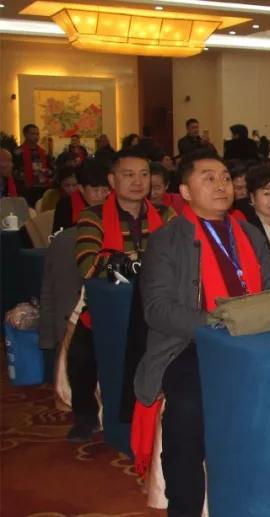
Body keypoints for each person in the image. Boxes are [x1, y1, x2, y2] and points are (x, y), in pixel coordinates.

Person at [134, 148, 270, 516]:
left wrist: (269, 309)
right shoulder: (168, 240)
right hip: (191, 344)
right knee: (188, 409)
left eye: (225, 178)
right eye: (208, 178)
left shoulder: (247, 232)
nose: (221, 185)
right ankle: (184, 506)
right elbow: (158, 310)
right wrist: (219, 322)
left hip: (255, 337)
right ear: (185, 192)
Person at [70, 150, 176, 440]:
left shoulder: (166, 215)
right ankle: (85, 416)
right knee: (80, 353)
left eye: (144, 175)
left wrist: (129, 261)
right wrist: (138, 262)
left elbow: (181, 258)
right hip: (109, 305)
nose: (138, 182)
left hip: (157, 304)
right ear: (112, 180)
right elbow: (88, 264)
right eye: (128, 175)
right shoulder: (92, 216)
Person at [52, 161, 111, 233]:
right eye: (95, 190)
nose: (100, 196)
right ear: (81, 188)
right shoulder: (66, 205)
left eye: (105, 190)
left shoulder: (113, 202)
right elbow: (58, 236)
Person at [13, 123, 53, 204]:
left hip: (41, 187)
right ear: (25, 135)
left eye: (37, 134)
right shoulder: (18, 152)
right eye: (32, 134)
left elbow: (51, 168)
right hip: (25, 188)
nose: (36, 136)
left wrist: (47, 172)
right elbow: (13, 170)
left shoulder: (44, 152)